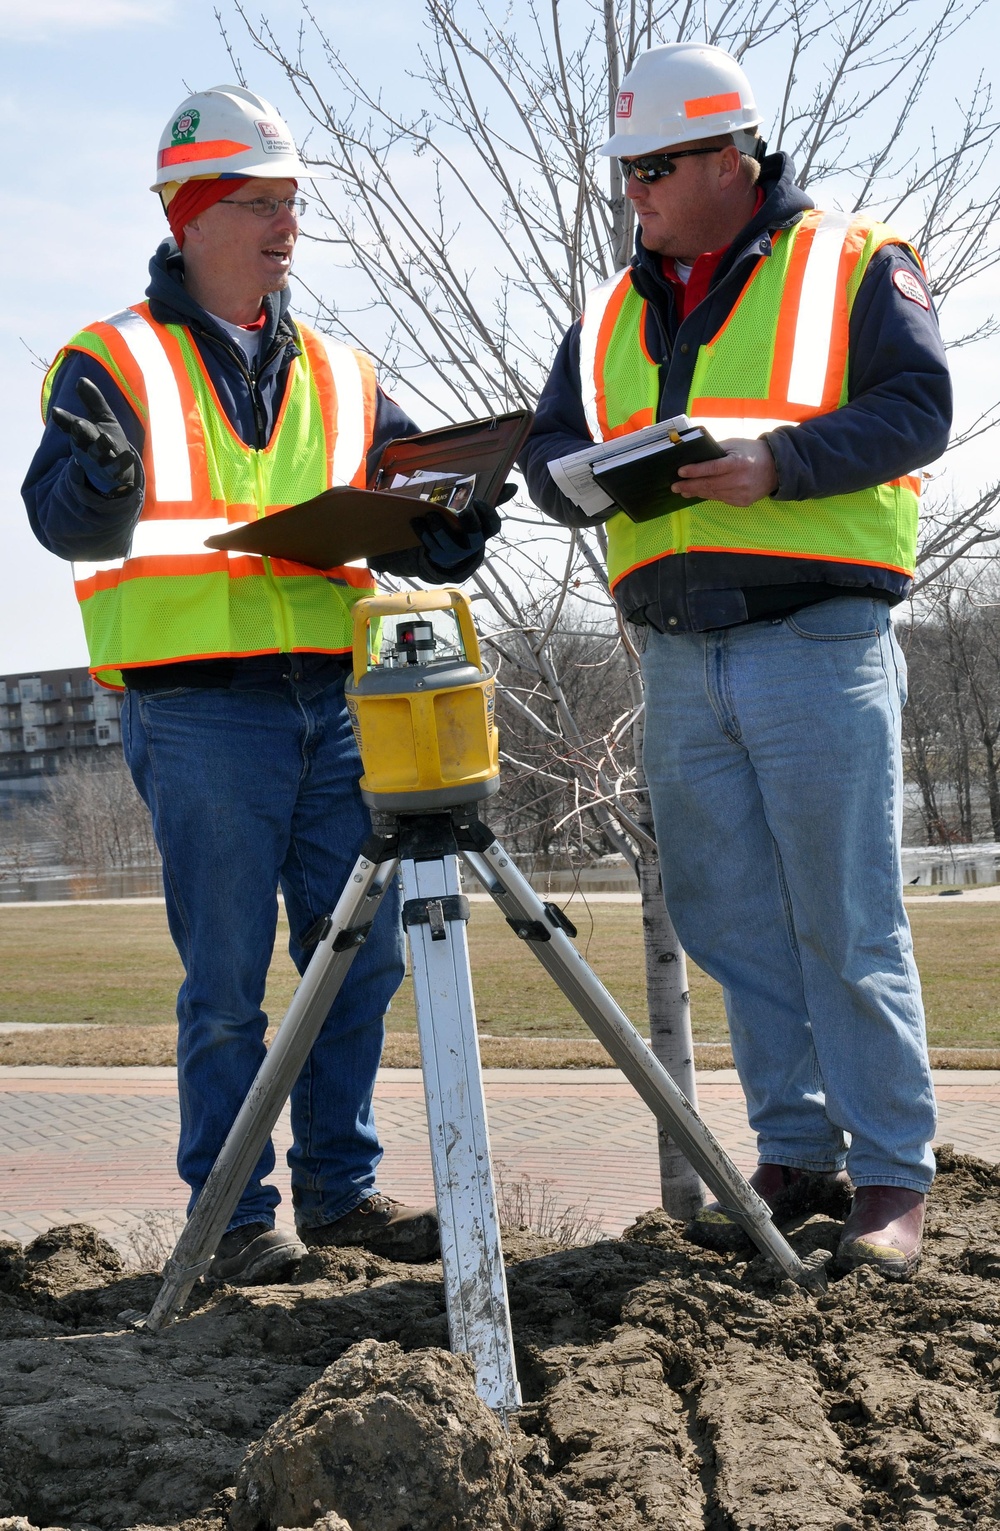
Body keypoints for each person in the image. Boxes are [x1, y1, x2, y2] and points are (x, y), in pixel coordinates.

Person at [23, 86, 499, 1284]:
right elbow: (59, 520)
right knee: (228, 981)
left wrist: (443, 529)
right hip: (199, 711)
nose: (286, 229)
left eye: (293, 206)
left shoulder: (341, 370)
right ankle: (237, 1220)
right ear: (189, 215)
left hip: (338, 705)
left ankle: (340, 1195)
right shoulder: (109, 359)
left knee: (361, 958)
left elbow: (396, 507)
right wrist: (96, 485)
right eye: (259, 205)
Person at [520, 43, 951, 1278]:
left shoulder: (857, 260)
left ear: (730, 158)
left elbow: (917, 407)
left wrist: (778, 463)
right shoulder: (611, 304)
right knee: (724, 914)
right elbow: (558, 440)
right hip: (672, 653)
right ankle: (795, 1147)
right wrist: (580, 483)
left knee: (845, 916)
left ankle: (888, 1177)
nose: (635, 192)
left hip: (815, 636)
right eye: (624, 172)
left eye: (655, 167)